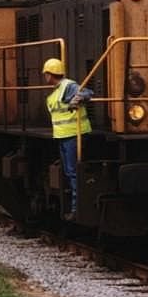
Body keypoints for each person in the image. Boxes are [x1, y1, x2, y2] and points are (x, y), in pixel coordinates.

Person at [42, 58, 93, 220]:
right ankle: (74, 206)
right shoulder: (56, 91)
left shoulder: (68, 86)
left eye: (46, 74)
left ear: (50, 74)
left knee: (72, 171)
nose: (45, 77)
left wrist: (78, 98)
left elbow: (87, 92)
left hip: (74, 135)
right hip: (63, 136)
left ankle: (77, 208)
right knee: (68, 171)